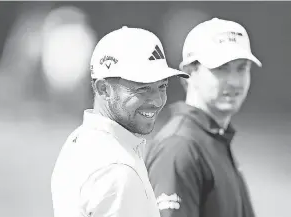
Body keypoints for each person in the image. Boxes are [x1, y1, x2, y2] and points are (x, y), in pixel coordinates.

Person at [51, 26, 189, 217]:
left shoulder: (79, 140)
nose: (157, 101)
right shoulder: (118, 170)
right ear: (103, 89)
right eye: (142, 89)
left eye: (162, 86)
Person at [145, 18, 262, 217]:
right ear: (189, 73)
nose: (234, 81)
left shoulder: (214, 139)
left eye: (241, 68)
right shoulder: (179, 148)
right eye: (221, 68)